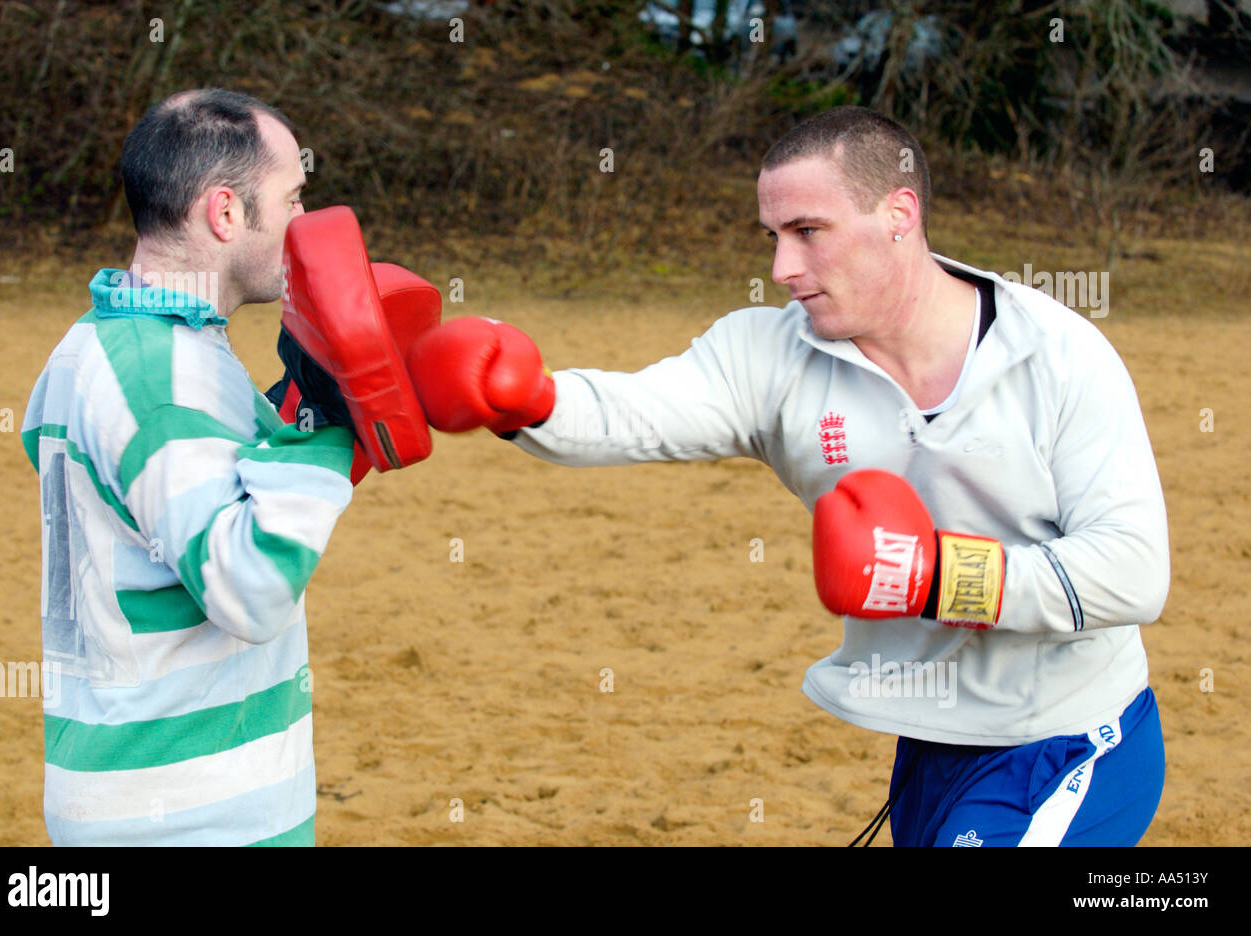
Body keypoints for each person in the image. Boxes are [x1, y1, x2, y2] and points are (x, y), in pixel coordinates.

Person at [405, 106, 1171, 846]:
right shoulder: (768, 354)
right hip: (930, 746)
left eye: (808, 232)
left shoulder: (1057, 353)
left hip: (1071, 742)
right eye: (773, 236)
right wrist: (529, 398)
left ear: (899, 213)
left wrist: (938, 575)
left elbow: (1135, 574)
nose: (781, 268)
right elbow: (636, 412)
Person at [21, 88, 360, 845]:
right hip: (186, 816)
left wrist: (295, 410)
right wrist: (331, 425)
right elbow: (249, 591)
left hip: (136, 786)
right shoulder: (161, 374)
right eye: (293, 198)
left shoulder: (102, 342)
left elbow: (148, 476)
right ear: (226, 213)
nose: (304, 224)